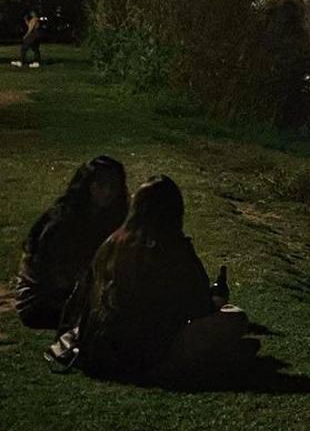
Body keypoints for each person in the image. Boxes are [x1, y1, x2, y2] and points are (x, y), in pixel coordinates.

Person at [56, 176, 247, 381]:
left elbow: (81, 297)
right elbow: (196, 306)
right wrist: (216, 302)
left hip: (97, 351)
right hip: (144, 356)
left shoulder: (111, 244)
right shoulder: (173, 248)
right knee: (235, 317)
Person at [15, 156, 128, 329]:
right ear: (88, 186)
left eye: (114, 186)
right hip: (41, 299)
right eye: (101, 185)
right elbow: (52, 274)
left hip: (80, 292)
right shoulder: (63, 222)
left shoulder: (109, 217)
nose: (108, 192)